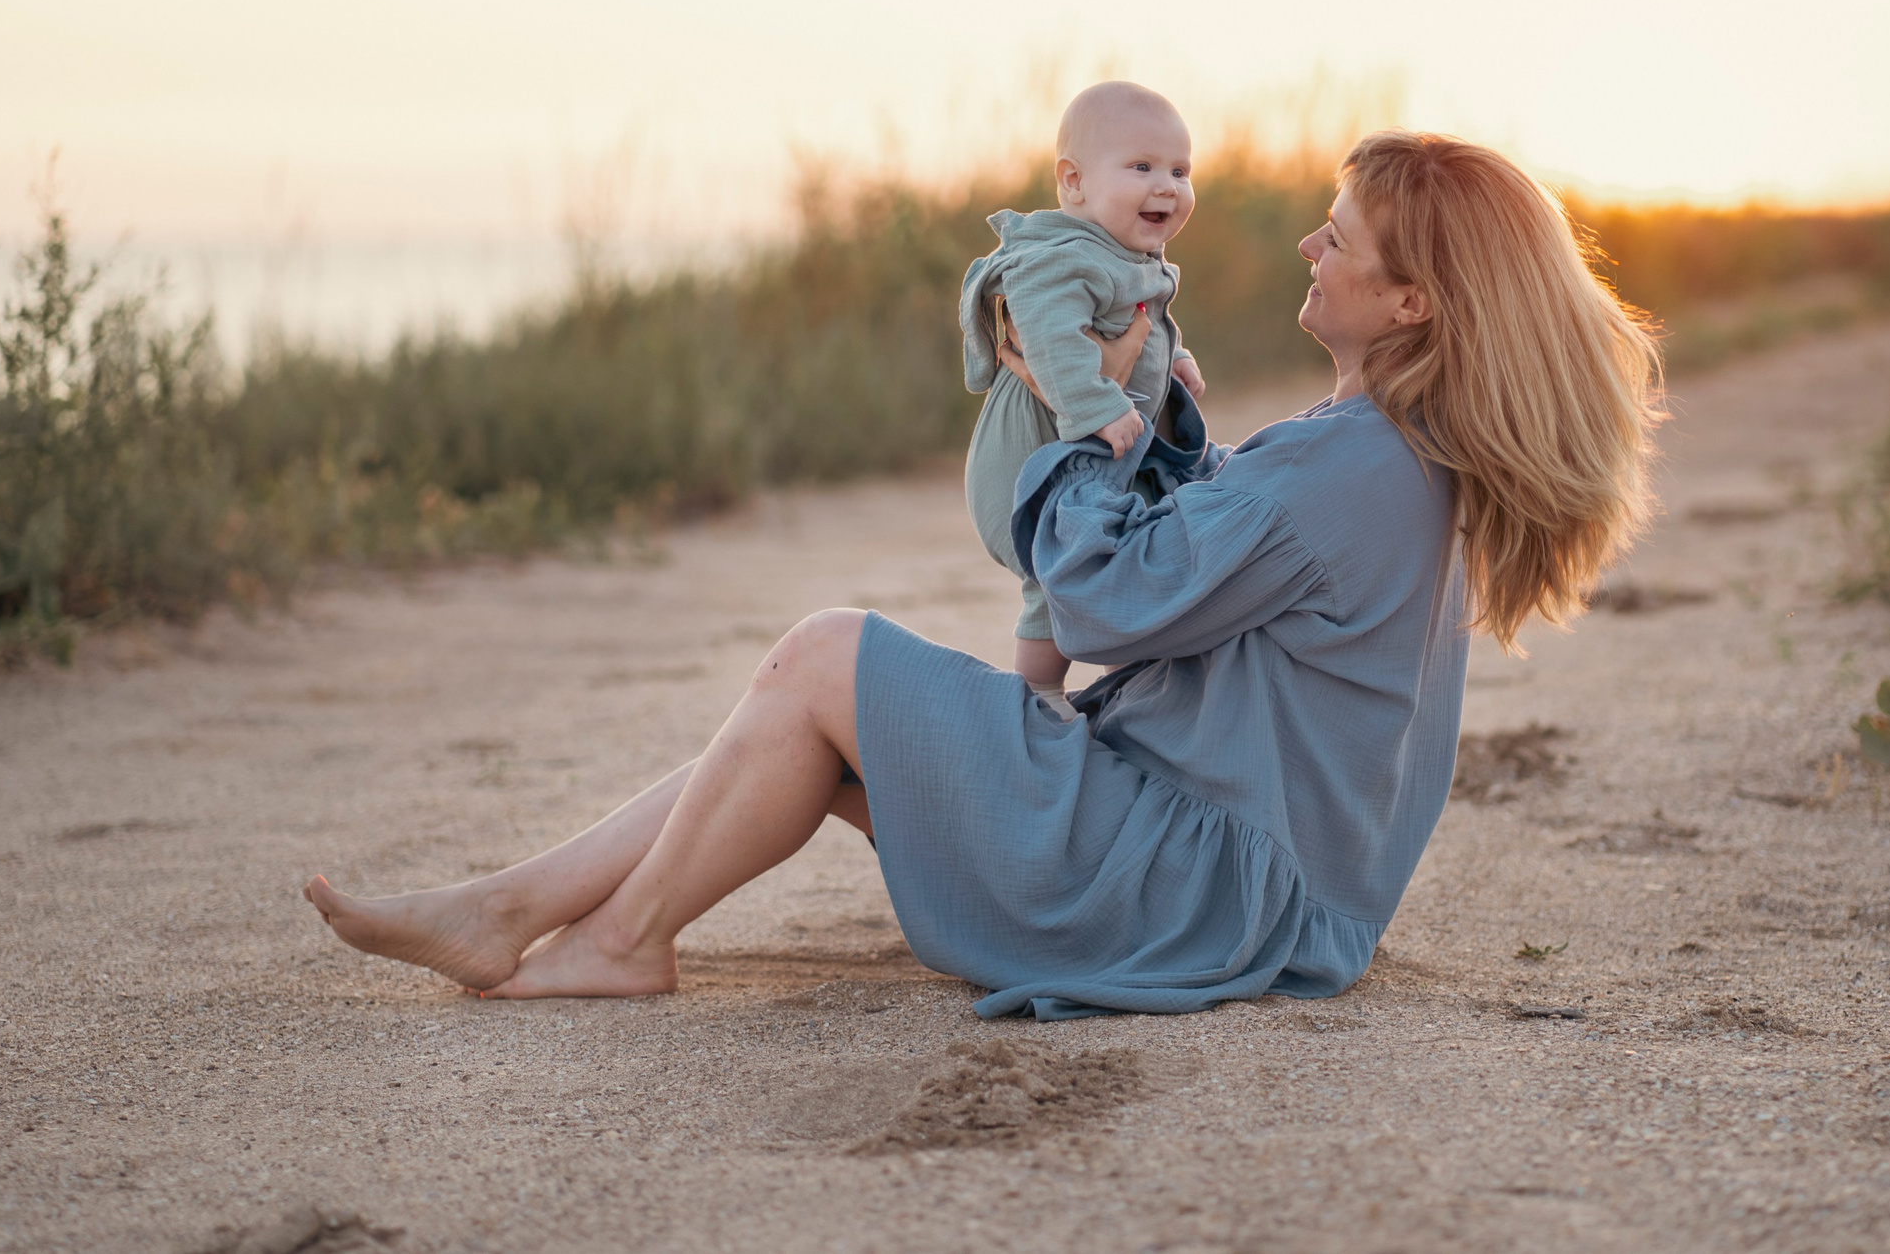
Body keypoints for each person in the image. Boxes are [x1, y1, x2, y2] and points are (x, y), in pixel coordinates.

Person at [303, 131, 1659, 1018]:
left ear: (1412, 300)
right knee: (814, 724)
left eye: (1338, 237)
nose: (1311, 246)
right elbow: (1206, 555)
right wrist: (1163, 420)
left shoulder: (1351, 466)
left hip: (1194, 883)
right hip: (1263, 884)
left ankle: (618, 936)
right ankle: (520, 911)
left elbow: (1106, 602)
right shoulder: (1379, 452)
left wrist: (1077, 419)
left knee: (829, 649)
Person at [959, 80, 1208, 692]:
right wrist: (1098, 402)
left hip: (1076, 461)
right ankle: (1039, 696)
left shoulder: (1119, 256)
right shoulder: (1063, 256)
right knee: (1064, 574)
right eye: (1142, 166)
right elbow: (1045, 334)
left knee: (1108, 575)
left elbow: (1128, 328)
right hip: (1026, 465)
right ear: (1073, 182)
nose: (1167, 186)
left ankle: (1130, 685)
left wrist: (1172, 358)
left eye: (1181, 170)